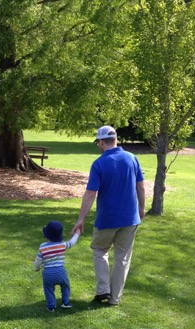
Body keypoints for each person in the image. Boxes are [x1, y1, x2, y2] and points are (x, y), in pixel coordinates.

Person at [72, 125, 146, 306]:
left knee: (99, 250)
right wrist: (142, 208)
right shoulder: (132, 158)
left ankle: (103, 290)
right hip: (130, 219)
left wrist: (81, 219)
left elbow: (90, 193)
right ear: (116, 140)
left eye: (98, 142)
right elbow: (141, 186)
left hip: (107, 219)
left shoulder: (99, 163)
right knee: (122, 258)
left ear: (102, 142)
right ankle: (115, 299)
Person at [35, 220, 80, 312]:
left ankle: (51, 306)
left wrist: (36, 268)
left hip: (48, 273)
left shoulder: (43, 246)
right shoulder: (62, 245)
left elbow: (38, 260)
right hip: (61, 272)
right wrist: (77, 234)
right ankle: (65, 302)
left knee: (48, 289)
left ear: (47, 236)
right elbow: (72, 243)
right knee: (65, 286)